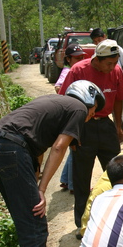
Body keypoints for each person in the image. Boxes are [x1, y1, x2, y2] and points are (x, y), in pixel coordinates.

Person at [0, 80, 105, 247]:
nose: (90, 118)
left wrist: (36, 177)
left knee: (26, 217)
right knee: (34, 222)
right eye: (93, 112)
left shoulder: (53, 103)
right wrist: (41, 189)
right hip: (11, 148)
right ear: (89, 102)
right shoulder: (78, 109)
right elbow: (59, 147)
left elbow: (36, 144)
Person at [58, 40, 123, 235]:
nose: (112, 67)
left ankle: (118, 220)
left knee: (118, 173)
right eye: (108, 63)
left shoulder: (115, 71)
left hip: (105, 126)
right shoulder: (78, 71)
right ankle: (83, 226)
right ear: (97, 59)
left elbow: (119, 99)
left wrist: (118, 126)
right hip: (83, 127)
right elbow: (65, 101)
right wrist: (71, 136)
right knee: (82, 179)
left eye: (115, 63)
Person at [54, 43, 86, 193]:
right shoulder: (68, 71)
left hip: (75, 113)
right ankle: (74, 185)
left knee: (72, 150)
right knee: (75, 149)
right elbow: (58, 87)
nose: (80, 60)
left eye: (82, 57)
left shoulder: (77, 70)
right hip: (71, 114)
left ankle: (66, 180)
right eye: (76, 58)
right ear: (68, 59)